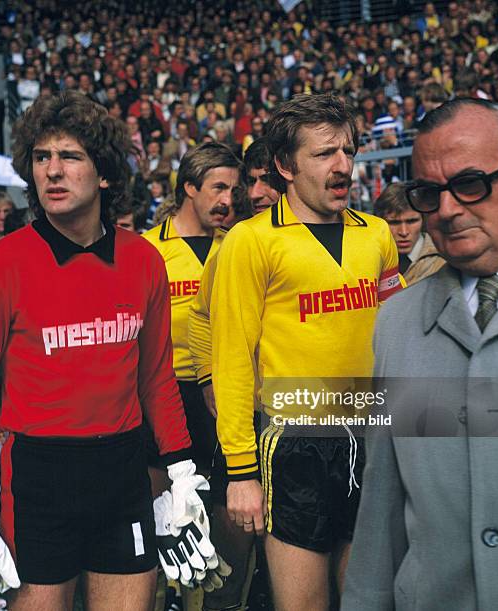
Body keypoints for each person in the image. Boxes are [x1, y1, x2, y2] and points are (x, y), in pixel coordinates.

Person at [0, 91, 218, 610]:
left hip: (123, 472)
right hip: (39, 479)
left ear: (105, 174)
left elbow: (156, 380)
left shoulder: (142, 261)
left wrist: (181, 473)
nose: (52, 171)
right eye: (42, 158)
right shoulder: (1, 267)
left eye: (69, 156)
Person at [211, 93, 403, 611]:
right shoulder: (250, 242)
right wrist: (240, 471)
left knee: (372, 600)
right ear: (284, 166)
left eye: (348, 150)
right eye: (324, 154)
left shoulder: (378, 235)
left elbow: (398, 338)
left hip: (370, 433)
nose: (342, 166)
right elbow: (230, 358)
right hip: (294, 441)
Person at [341, 98, 498, 610]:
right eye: (429, 193)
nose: (448, 210)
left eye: (470, 183)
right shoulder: (396, 322)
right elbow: (383, 503)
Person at [142, 141, 240, 611]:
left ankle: (209, 599)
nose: (228, 199)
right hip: (164, 393)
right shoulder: (148, 248)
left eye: (233, 190)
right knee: (161, 505)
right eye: (218, 188)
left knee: (219, 502)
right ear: (189, 188)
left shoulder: (239, 244)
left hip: (223, 391)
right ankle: (158, 595)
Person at [187, 137, 280, 611]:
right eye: (253, 180)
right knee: (233, 547)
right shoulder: (236, 245)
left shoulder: (357, 236)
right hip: (248, 418)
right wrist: (208, 379)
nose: (259, 190)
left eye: (268, 178)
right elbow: (200, 317)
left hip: (315, 416)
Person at [374, 183, 445, 284]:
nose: (404, 232)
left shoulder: (444, 258)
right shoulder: (370, 257)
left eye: (412, 221)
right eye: (394, 222)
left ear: (423, 220)